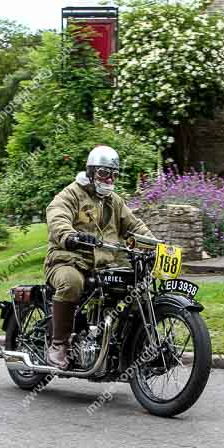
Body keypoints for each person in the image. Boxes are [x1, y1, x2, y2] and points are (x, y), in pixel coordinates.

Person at [44, 146, 155, 369]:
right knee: (71, 283)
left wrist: (155, 244)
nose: (110, 178)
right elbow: (57, 215)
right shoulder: (71, 194)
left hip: (105, 265)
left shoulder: (114, 201)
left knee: (138, 288)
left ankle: (133, 345)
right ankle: (59, 344)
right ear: (92, 171)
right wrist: (69, 236)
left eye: (114, 174)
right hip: (68, 259)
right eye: (104, 173)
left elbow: (134, 226)